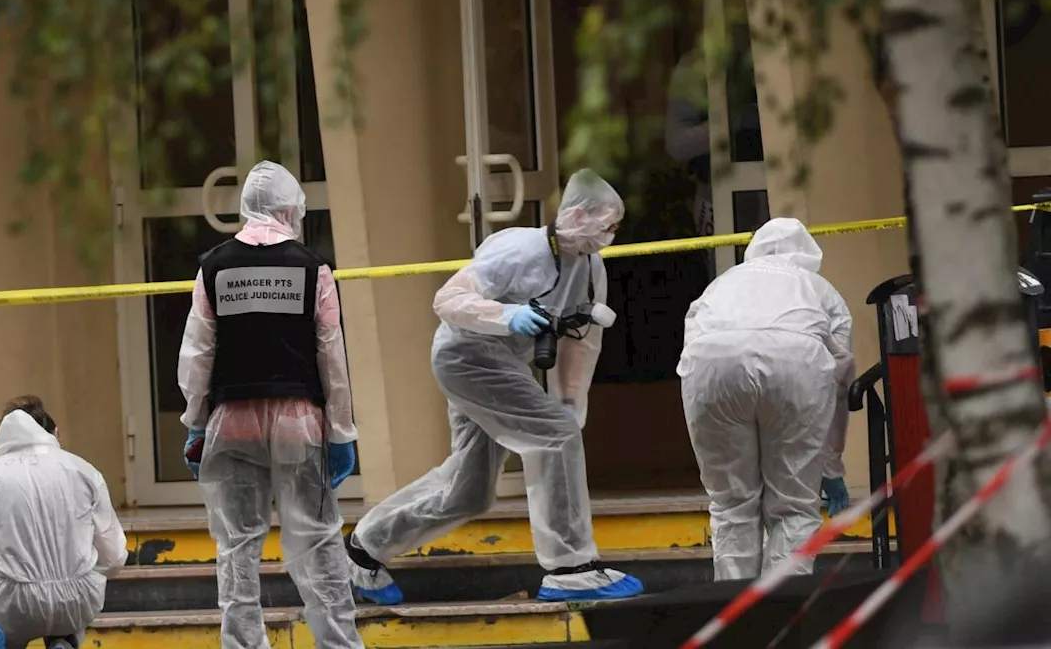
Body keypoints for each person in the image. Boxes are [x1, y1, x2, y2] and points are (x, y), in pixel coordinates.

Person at [344, 169, 645, 605]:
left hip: (503, 364)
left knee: (470, 490)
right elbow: (447, 300)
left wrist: (569, 405)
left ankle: (362, 552)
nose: (611, 234)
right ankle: (570, 567)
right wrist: (507, 316)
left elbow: (582, 342)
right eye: (607, 225)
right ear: (578, 215)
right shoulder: (518, 249)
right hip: (465, 355)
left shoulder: (590, 267)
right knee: (555, 437)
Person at [178, 160, 363, 649]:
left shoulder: (213, 267)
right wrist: (341, 432)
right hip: (298, 424)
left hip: (231, 422)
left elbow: (198, 353)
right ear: (288, 209)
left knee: (237, 547)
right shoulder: (313, 267)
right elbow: (332, 358)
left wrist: (196, 424)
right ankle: (338, 643)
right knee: (318, 542)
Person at [678, 217, 855, 581]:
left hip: (712, 366)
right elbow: (838, 379)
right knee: (793, 509)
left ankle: (736, 619)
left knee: (731, 505)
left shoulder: (721, 284)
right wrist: (831, 467)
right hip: (796, 363)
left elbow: (690, 351)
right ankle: (783, 615)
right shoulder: (818, 287)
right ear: (808, 254)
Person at [0, 395, 128, 649]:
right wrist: (76, 574)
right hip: (77, 598)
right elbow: (114, 556)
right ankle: (64, 641)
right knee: (68, 617)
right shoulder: (83, 470)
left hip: (11, 600)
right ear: (55, 432)